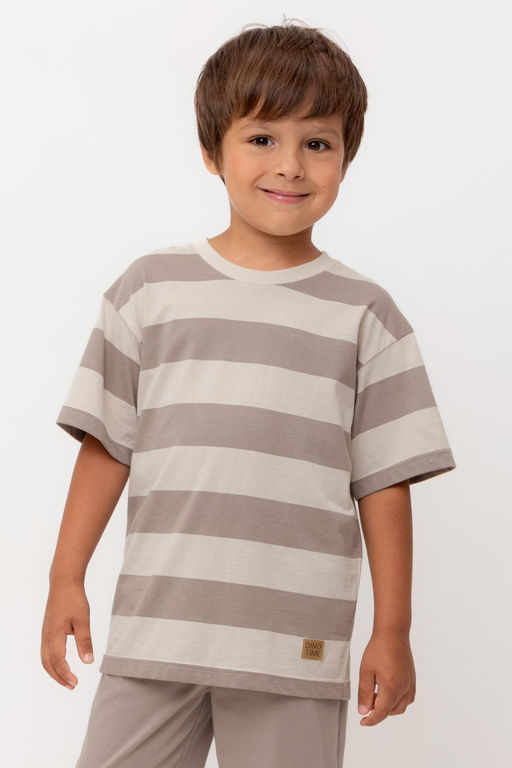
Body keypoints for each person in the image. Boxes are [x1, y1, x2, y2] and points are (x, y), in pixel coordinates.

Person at [42, 19, 456, 768]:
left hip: (292, 644)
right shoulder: (149, 290)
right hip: (158, 630)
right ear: (213, 151)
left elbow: (385, 484)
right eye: (262, 138)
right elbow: (107, 445)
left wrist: (392, 631)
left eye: (317, 143)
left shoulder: (368, 315)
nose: (290, 165)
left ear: (346, 157)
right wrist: (64, 576)